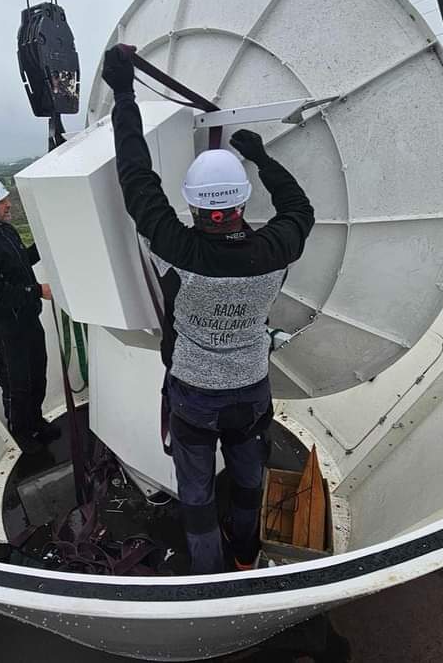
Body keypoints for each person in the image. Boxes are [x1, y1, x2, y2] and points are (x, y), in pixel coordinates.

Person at [102, 45, 315, 574]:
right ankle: (245, 550)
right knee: (246, 479)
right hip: (249, 391)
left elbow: (136, 179)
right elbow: (299, 209)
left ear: (193, 205)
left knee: (196, 493)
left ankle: (208, 571)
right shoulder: (276, 247)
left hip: (194, 397)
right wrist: (260, 157)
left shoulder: (179, 246)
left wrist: (123, 91)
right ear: (242, 202)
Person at [0, 174, 59, 453]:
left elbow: (21, 265)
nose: (8, 204)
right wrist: (37, 290)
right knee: (18, 382)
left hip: (27, 318)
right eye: (1, 201)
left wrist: (43, 245)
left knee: (37, 373)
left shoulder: (6, 232)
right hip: (6, 329)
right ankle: (21, 433)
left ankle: (36, 421)